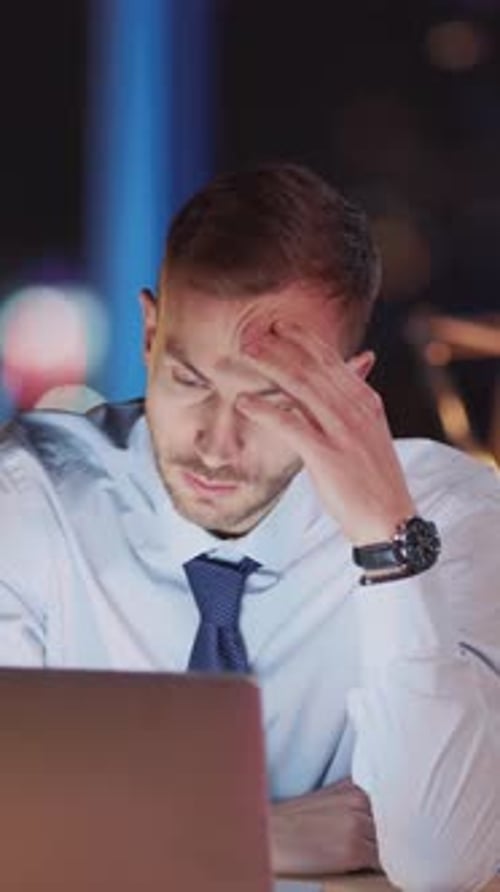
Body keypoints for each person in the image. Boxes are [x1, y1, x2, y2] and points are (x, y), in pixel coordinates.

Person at [1, 163, 499, 889]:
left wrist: (387, 541)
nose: (216, 442)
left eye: (271, 400)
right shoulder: (31, 496)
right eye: (190, 380)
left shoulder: (444, 517)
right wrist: (258, 834)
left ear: (350, 385)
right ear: (148, 334)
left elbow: (446, 862)